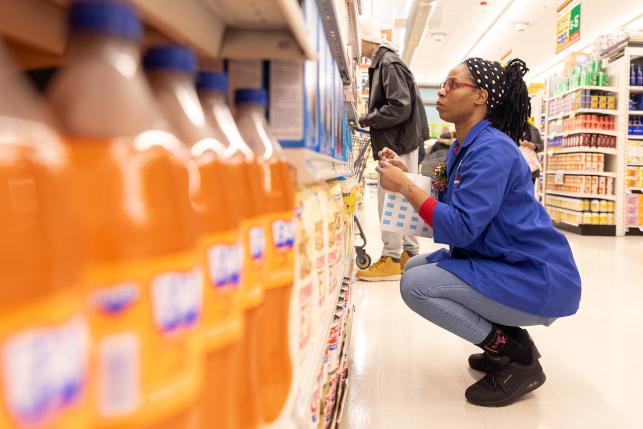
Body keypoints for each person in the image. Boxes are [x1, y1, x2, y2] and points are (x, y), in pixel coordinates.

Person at [375, 58, 581, 407]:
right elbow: (445, 197)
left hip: (534, 278)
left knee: (416, 286)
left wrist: (407, 190)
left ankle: (516, 359)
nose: (441, 91)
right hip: (501, 263)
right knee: (413, 268)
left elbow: (461, 227)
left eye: (453, 84)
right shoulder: (462, 147)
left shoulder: (492, 150)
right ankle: (507, 337)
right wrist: (404, 176)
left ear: (480, 97)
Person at [356, 16, 429, 281]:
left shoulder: (387, 62)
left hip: (397, 141)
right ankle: (408, 254)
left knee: (391, 198)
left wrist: (367, 118)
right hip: (402, 140)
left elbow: (400, 105)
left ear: (365, 38)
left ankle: (391, 258)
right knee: (404, 197)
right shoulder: (386, 61)